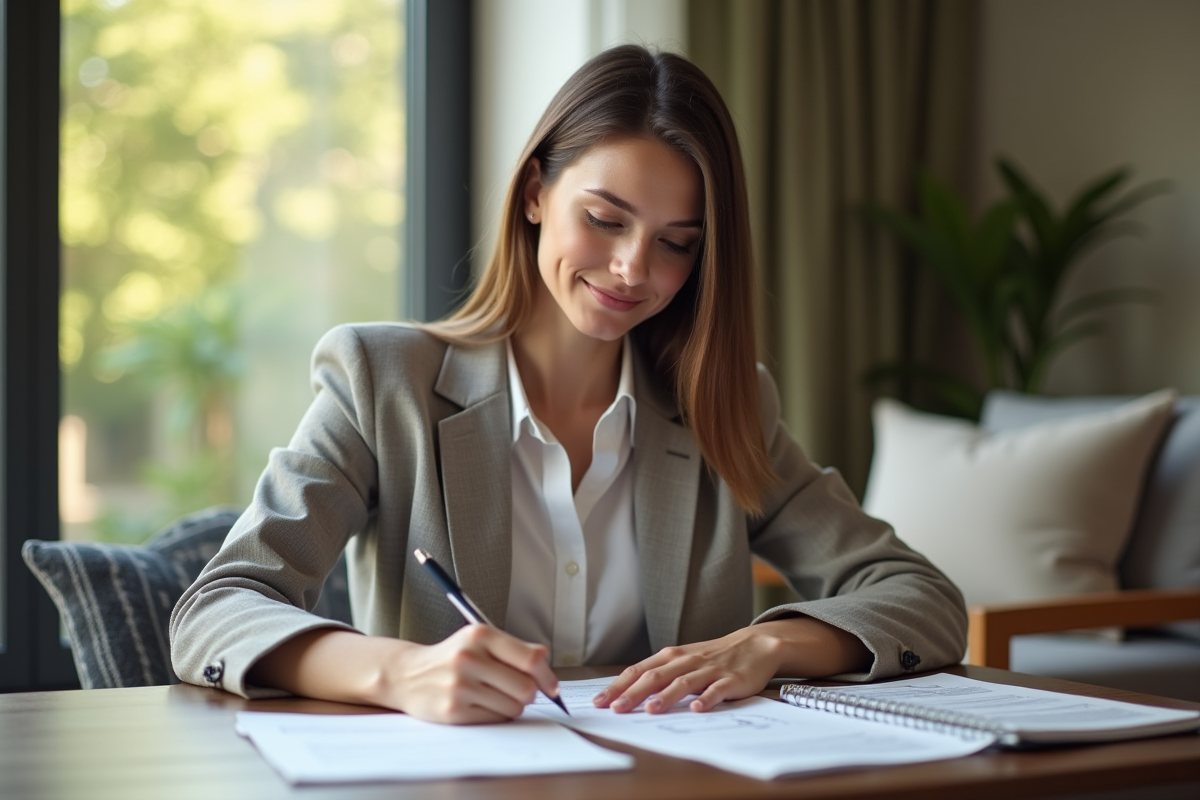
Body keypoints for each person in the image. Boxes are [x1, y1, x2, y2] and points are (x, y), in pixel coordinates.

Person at [170, 44, 966, 724]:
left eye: (676, 244)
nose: (633, 269)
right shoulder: (385, 384)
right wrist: (398, 674)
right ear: (535, 193)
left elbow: (920, 598)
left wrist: (767, 644)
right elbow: (214, 611)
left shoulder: (724, 405)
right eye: (606, 219)